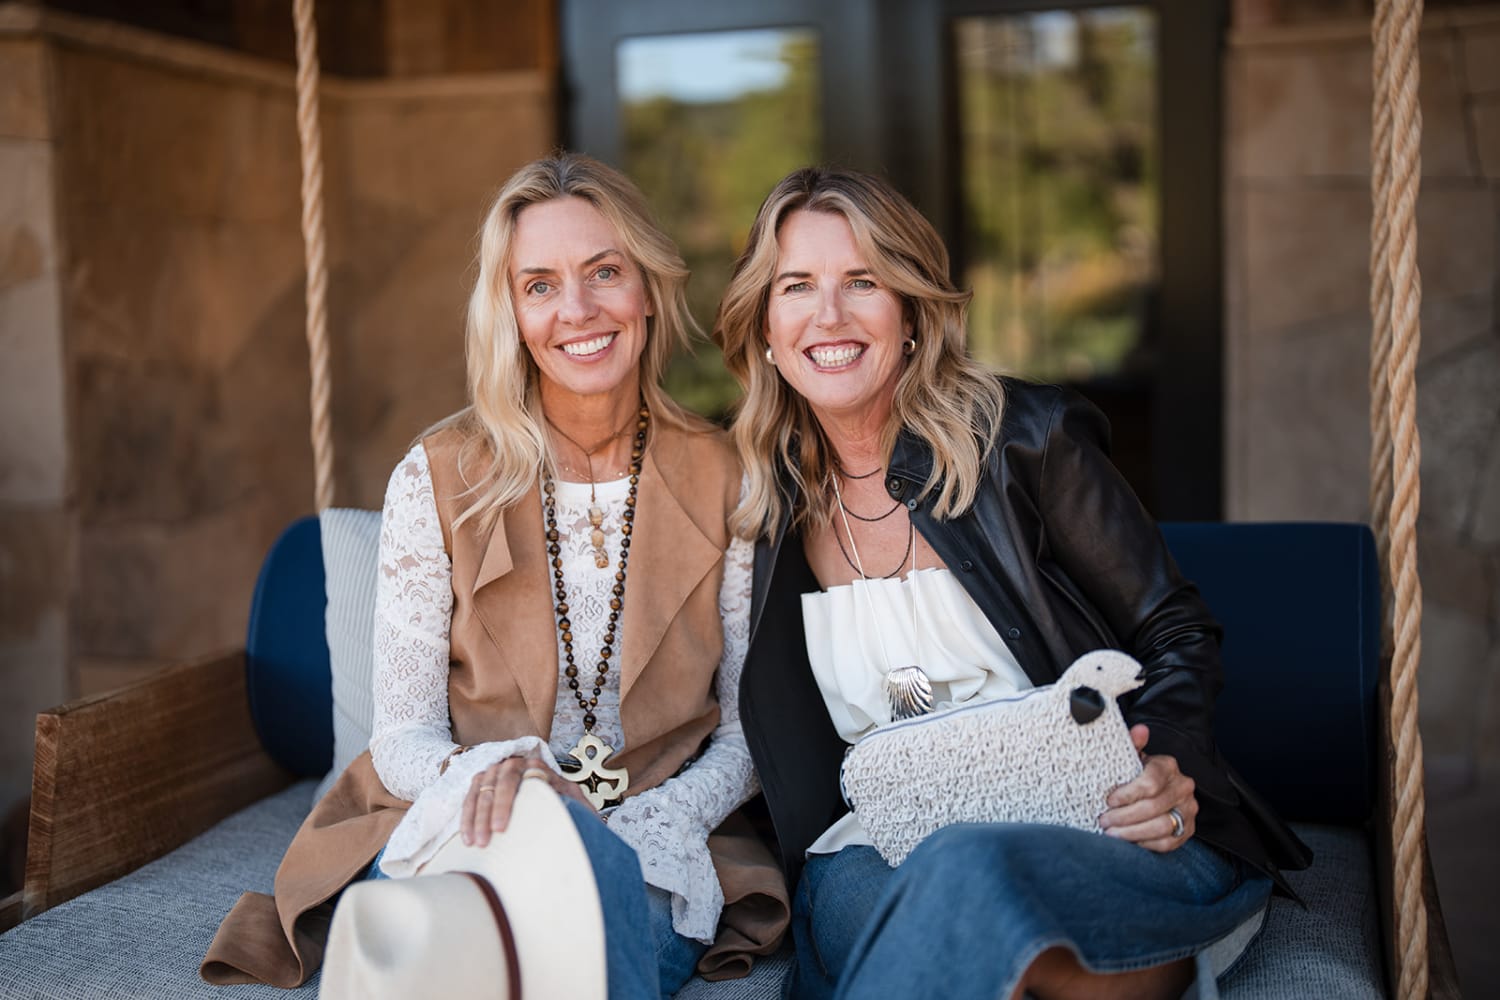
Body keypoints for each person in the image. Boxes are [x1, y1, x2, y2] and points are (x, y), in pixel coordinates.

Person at [712, 166, 1312, 1000]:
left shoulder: (1027, 441)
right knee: (863, 889)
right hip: (879, 847)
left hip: (1092, 827)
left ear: (914, 312)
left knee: (966, 870)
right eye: (797, 286)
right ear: (766, 329)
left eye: (864, 282)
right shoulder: (753, 503)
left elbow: (1175, 631)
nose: (831, 315)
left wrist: (1166, 762)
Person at [201, 153, 787, 998]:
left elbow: (745, 734)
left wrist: (663, 818)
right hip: (465, 818)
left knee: (587, 935)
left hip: (652, 832)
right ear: (509, 310)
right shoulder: (437, 476)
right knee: (469, 948)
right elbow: (400, 735)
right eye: (540, 284)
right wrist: (495, 779)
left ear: (649, 290)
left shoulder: (728, 475)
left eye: (604, 272)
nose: (576, 309)